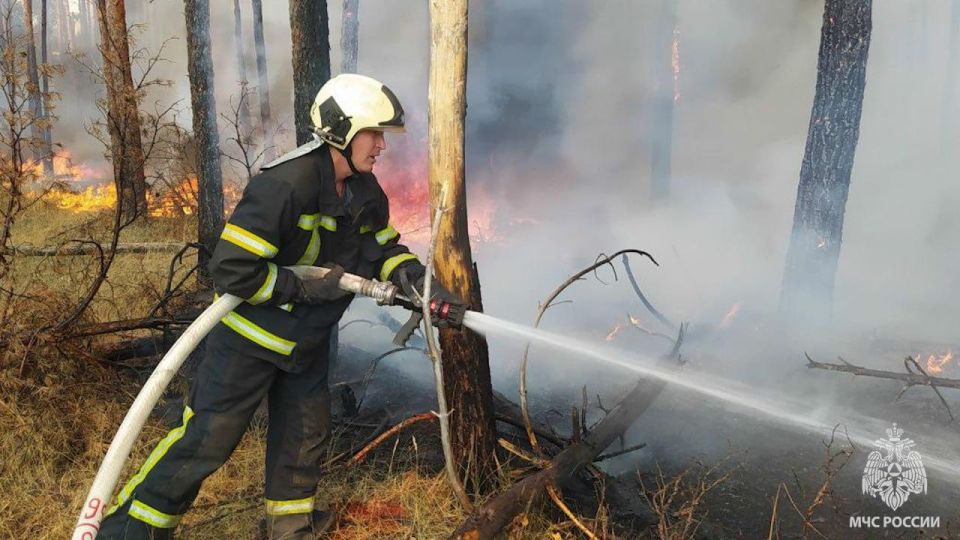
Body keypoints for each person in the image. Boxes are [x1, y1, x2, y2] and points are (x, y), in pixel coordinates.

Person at [97, 74, 462, 539]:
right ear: (342, 131)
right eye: (373, 134)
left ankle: (289, 529)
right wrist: (303, 287)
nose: (381, 147)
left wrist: (416, 279)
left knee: (303, 438)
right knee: (207, 442)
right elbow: (231, 269)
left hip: (306, 344)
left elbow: (382, 247)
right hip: (249, 342)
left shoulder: (365, 190)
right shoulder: (284, 185)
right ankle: (131, 531)